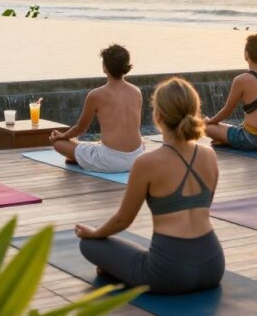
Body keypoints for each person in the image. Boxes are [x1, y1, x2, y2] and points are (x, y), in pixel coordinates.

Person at [76, 77, 224, 294]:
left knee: (89, 245)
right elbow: (204, 207)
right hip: (213, 266)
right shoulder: (209, 155)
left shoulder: (147, 163)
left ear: (158, 115)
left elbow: (122, 220)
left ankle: (114, 267)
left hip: (169, 274)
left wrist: (94, 233)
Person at [50, 44, 144, 173]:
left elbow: (80, 129)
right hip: (137, 158)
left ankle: (79, 158)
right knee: (93, 146)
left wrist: (62, 136)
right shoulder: (136, 91)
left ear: (105, 67)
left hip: (110, 161)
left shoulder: (96, 95)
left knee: (59, 144)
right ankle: (81, 157)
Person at [204, 34, 257, 151]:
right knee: (235, 128)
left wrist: (209, 122)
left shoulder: (241, 80)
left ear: (246, 54)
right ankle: (226, 139)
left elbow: (226, 111)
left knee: (206, 128)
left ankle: (225, 140)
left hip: (252, 139)